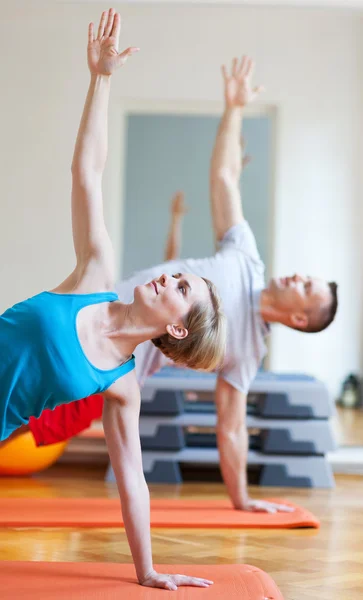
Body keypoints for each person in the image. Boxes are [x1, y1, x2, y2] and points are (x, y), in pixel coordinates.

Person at [7, 51, 338, 516]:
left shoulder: (245, 352)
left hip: (99, 376)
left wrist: (241, 500)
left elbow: (231, 427)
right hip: (81, 315)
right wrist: (235, 107)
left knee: (16, 421)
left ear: (299, 317)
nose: (299, 276)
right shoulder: (246, 258)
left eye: (308, 287)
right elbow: (223, 178)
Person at [0, 9, 227, 591]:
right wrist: (101, 79)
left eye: (182, 290)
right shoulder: (94, 273)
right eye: (178, 275)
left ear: (176, 330)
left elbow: (132, 478)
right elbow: (87, 172)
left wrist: (146, 569)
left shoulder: (121, 386)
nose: (169, 279)